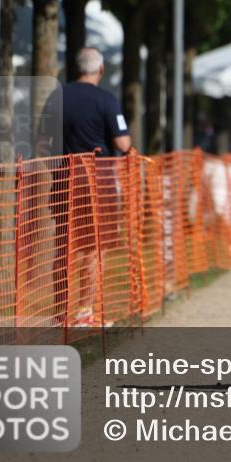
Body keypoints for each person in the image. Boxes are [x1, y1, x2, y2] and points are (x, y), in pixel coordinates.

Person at [57, 47, 132, 328]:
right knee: (93, 248)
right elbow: (122, 143)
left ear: (74, 69)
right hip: (97, 182)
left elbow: (42, 141)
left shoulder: (56, 96)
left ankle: (59, 312)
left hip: (63, 179)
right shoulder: (107, 100)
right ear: (100, 70)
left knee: (63, 245)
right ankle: (84, 311)